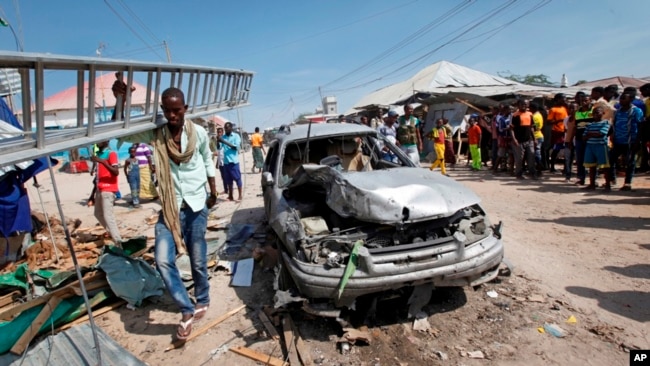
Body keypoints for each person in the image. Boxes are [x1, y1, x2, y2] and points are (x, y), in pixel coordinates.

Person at [123, 87, 217, 341]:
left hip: (197, 204)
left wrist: (214, 192)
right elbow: (124, 129)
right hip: (170, 207)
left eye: (177, 110)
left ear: (185, 109)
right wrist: (123, 100)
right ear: (163, 110)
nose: (173, 115)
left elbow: (208, 161)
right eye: (168, 110)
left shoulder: (197, 133)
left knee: (198, 260)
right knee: (163, 260)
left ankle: (203, 298)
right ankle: (186, 308)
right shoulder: (155, 135)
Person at [609, 92, 644, 191]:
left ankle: (627, 183)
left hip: (630, 141)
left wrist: (637, 142)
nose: (621, 100)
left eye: (624, 98)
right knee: (611, 160)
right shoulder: (618, 111)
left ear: (631, 99)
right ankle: (612, 179)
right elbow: (614, 125)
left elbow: (640, 126)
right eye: (621, 98)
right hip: (618, 141)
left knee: (630, 162)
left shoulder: (636, 111)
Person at [91, 141, 122, 245]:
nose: (97, 142)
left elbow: (116, 172)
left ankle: (118, 240)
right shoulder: (99, 154)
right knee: (98, 214)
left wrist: (102, 162)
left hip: (108, 189)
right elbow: (97, 177)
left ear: (106, 141)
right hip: (100, 188)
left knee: (108, 216)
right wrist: (92, 195)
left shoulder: (111, 154)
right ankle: (112, 233)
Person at [582, 106, 612, 191]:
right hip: (590, 146)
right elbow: (584, 136)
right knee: (591, 166)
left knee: (605, 166)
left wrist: (590, 134)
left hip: (601, 146)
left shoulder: (606, 123)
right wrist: (592, 134)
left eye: (598, 112)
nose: (595, 114)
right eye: (594, 113)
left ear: (603, 113)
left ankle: (607, 185)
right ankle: (592, 184)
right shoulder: (590, 124)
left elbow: (601, 133)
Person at [572, 92, 594, 185]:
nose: (583, 103)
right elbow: (574, 127)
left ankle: (593, 180)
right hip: (579, 139)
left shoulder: (594, 111)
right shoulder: (577, 112)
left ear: (590, 101)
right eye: (582, 101)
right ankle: (581, 178)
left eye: (585, 101)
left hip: (591, 139)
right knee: (580, 159)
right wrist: (570, 139)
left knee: (592, 160)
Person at [511, 99, 536, 179]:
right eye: (522, 104)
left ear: (528, 105)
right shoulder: (515, 115)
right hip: (519, 141)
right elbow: (511, 129)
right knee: (519, 158)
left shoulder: (530, 114)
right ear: (518, 105)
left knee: (531, 156)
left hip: (529, 140)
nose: (524, 106)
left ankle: (532, 173)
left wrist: (534, 138)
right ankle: (518, 174)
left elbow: (531, 127)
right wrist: (514, 139)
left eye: (525, 104)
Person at [220, 122, 243, 201]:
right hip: (226, 162)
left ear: (231, 128)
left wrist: (224, 142)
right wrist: (218, 141)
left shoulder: (236, 136)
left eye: (227, 128)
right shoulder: (223, 137)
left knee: (237, 178)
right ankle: (230, 196)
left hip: (234, 162)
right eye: (225, 128)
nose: (226, 130)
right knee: (228, 180)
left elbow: (235, 147)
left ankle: (240, 195)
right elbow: (219, 147)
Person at [547, 93, 568, 173]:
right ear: (558, 99)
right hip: (557, 131)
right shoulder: (553, 109)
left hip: (565, 131)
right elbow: (549, 121)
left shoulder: (565, 108)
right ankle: (552, 167)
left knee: (566, 149)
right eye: (563, 99)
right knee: (556, 150)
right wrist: (559, 120)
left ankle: (566, 168)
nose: (565, 100)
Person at [530, 103, 545, 173]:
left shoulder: (534, 116)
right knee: (536, 153)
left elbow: (534, 128)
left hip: (536, 136)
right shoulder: (539, 115)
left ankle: (539, 166)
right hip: (539, 135)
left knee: (536, 153)